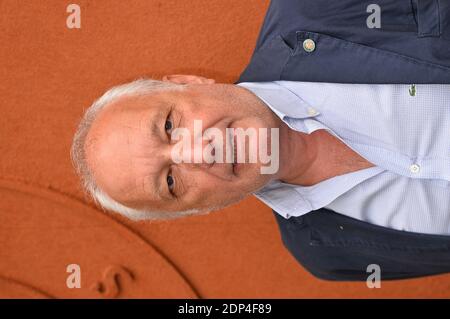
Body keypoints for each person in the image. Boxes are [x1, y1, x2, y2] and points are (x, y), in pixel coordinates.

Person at [71, 0, 450, 281]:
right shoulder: (326, 256)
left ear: (190, 83)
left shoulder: (315, 9)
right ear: (194, 210)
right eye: (171, 181)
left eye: (169, 125)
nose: (199, 152)